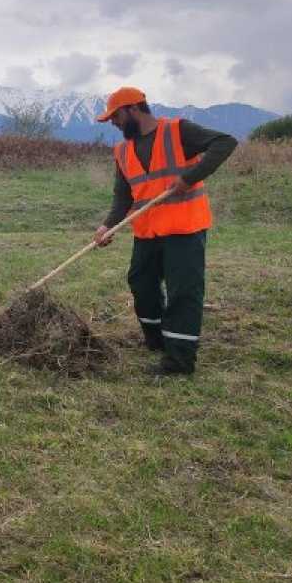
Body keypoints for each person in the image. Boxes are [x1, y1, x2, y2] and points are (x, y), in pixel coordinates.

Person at [92, 87, 237, 376]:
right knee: (141, 284)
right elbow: (124, 195)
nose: (114, 123)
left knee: (183, 291)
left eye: (116, 116)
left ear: (134, 109)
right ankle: (157, 341)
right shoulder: (122, 150)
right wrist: (108, 224)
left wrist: (189, 178)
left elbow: (225, 142)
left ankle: (179, 361)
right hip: (147, 231)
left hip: (184, 228)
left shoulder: (178, 131)